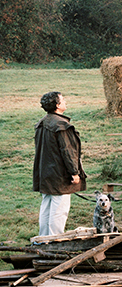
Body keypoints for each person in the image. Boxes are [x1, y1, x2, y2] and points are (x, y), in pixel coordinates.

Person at [32, 91, 86, 238]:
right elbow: (68, 152)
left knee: (47, 207)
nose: (65, 102)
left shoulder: (42, 123)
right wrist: (75, 173)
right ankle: (55, 241)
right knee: (59, 210)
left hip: (45, 173)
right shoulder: (61, 125)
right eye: (63, 100)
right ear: (57, 105)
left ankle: (42, 240)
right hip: (59, 175)